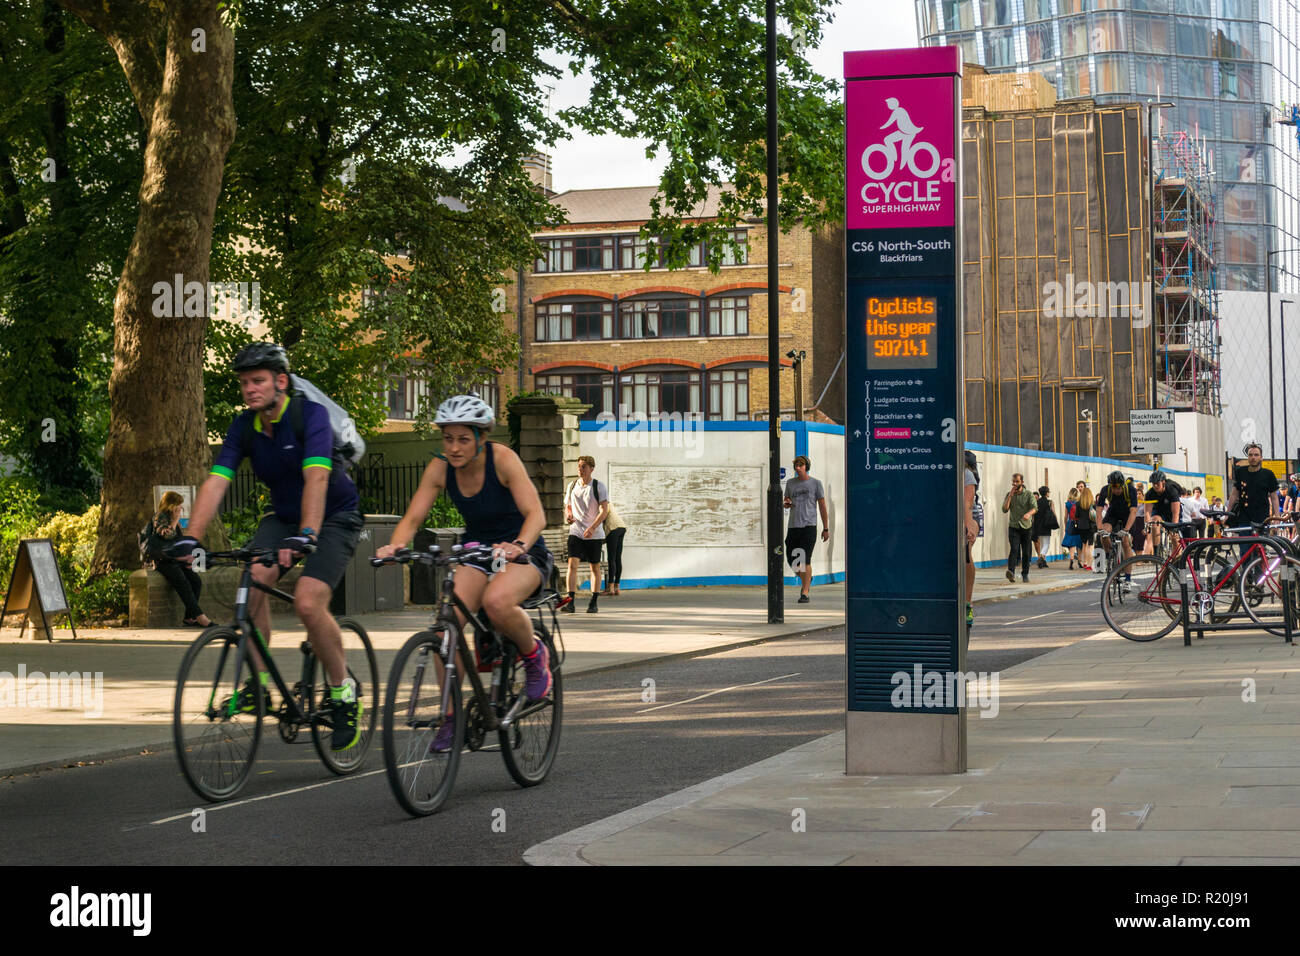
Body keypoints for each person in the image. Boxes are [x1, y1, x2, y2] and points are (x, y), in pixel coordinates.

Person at [169, 343, 366, 751]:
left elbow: (317, 478)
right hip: (283, 518)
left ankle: (342, 690)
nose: (249, 389)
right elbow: (217, 481)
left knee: (309, 602)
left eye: (257, 381)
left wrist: (307, 535)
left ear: (280, 381)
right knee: (252, 583)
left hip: (333, 517)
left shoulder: (308, 416)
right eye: (244, 383)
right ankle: (258, 685)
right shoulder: (244, 427)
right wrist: (190, 536)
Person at [376, 394, 554, 752]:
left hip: (523, 552)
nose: (454, 448)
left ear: (481, 438)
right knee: (447, 626)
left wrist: (518, 544)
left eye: (463, 439)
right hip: (476, 553)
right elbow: (413, 518)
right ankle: (451, 717)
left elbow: (536, 514)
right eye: (448, 438)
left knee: (497, 601)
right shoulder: (440, 468)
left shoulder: (503, 460)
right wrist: (396, 545)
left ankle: (534, 656)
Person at [147, 491, 212, 627]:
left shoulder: (171, 517)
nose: (180, 508)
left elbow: (178, 541)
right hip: (162, 560)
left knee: (196, 581)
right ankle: (200, 617)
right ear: (171, 505)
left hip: (174, 559)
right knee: (183, 583)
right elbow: (167, 535)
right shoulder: (160, 516)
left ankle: (189, 618)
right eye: (178, 505)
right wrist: (175, 520)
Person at [563, 455, 608, 613]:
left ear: (591, 469)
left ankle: (593, 601)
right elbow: (568, 505)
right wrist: (568, 514)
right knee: (572, 564)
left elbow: (604, 511)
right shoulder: (572, 485)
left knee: (594, 567)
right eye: (579, 466)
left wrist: (593, 528)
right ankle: (571, 602)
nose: (580, 469)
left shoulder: (598, 486)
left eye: (583, 467)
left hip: (594, 534)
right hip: (575, 531)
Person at [783, 455, 830, 604]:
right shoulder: (790, 484)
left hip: (809, 526)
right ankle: (807, 578)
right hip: (793, 526)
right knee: (793, 560)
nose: (798, 468)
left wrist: (826, 528)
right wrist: (787, 503)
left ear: (806, 466)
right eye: (796, 465)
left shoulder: (816, 483)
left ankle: (805, 592)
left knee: (805, 559)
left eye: (801, 465)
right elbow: (786, 501)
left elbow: (822, 506)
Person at [1227, 442, 1279, 533]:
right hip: (1244, 518)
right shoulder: (1240, 472)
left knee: (1260, 546)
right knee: (1245, 546)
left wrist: (1277, 517)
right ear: (1248, 457)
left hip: (1262, 518)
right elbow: (1234, 494)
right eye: (1250, 455)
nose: (1253, 457)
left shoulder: (1268, 474)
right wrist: (1227, 513)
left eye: (1256, 455)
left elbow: (1274, 497)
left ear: (1261, 458)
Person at [1095, 470, 1138, 571]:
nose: (1116, 490)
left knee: (1126, 542)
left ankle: (1128, 578)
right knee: (1104, 533)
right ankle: (1109, 556)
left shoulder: (1131, 490)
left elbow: (1133, 511)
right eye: (1114, 487)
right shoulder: (1105, 489)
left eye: (1118, 487)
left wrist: (1126, 530)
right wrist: (1099, 527)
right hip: (1113, 512)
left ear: (1122, 485)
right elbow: (1099, 510)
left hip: (1127, 514)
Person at [1002, 472, 1036, 583]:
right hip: (1014, 526)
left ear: (1022, 482)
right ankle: (1011, 572)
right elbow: (1004, 509)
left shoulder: (1029, 494)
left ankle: (1025, 574)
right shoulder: (1009, 494)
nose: (1014, 483)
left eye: (1017, 481)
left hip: (1026, 527)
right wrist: (1011, 495)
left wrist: (1028, 514)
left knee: (1026, 552)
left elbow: (1035, 508)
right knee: (1014, 549)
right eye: (1013, 481)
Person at [1144, 470, 1183, 553]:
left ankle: (1177, 558)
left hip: (1172, 511)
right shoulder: (1150, 494)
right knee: (1154, 523)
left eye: (1157, 483)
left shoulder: (1171, 490)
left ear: (1163, 482)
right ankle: (1157, 552)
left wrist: (1173, 529)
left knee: (1174, 538)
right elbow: (1147, 512)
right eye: (1153, 484)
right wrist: (1147, 525)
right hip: (1159, 511)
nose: (1155, 486)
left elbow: (1175, 513)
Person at [963, 450, 981, 629]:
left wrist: (968, 526)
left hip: (968, 517)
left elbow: (967, 504)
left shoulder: (966, 474)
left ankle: (967, 603)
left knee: (965, 552)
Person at [601, 500, 627, 596]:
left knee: (611, 558)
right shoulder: (606, 501)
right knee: (617, 558)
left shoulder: (602, 502)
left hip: (613, 528)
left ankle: (610, 588)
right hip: (621, 527)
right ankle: (617, 587)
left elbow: (603, 515)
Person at [1031, 485, 1058, 568]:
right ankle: (1041, 556)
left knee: (1041, 543)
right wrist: (1055, 521)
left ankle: (1043, 561)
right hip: (1046, 525)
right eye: (1048, 491)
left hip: (1037, 525)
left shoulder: (1036, 502)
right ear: (1046, 493)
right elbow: (1053, 513)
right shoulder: (1050, 502)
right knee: (1046, 544)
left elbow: (1034, 514)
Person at [1075, 485, 1096, 571]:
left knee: (1084, 545)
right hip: (1091, 526)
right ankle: (1089, 565)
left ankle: (1085, 563)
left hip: (1081, 526)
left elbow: (1076, 515)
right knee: (1090, 546)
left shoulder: (1078, 503)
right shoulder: (1093, 504)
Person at [1061, 487, 1082, 570]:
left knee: (1072, 543)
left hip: (1070, 524)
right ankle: (1080, 561)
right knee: (1079, 543)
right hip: (1079, 524)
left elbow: (1065, 516)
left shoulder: (1068, 504)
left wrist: (1065, 525)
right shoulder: (1079, 503)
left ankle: (1071, 559)